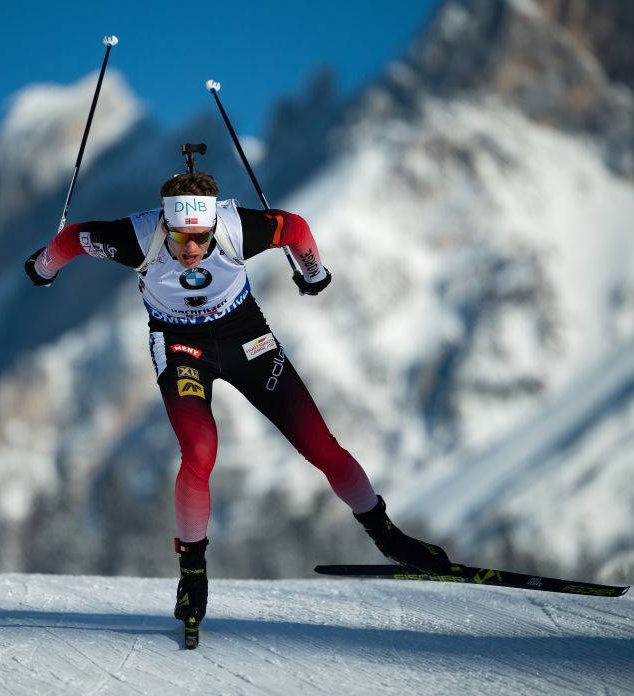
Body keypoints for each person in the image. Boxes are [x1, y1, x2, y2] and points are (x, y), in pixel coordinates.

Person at [24, 163, 451, 634]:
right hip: (180, 345)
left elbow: (297, 229)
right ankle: (192, 577)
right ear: (163, 224)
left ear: (212, 227)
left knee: (321, 446)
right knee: (199, 451)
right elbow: (71, 241)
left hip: (245, 337)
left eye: (201, 239)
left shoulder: (236, 229)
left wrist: (313, 273)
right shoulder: (134, 236)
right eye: (181, 238)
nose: (191, 250)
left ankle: (389, 537)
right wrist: (41, 267)